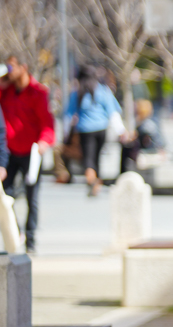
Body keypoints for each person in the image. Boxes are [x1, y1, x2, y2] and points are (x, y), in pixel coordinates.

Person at [0, 56, 55, 253]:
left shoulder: (38, 92)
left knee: (32, 196)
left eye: (11, 67)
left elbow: (47, 123)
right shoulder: (5, 91)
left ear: (24, 67)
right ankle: (14, 236)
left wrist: (44, 141)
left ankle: (30, 239)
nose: (9, 71)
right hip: (9, 151)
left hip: (31, 152)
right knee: (5, 196)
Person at [65, 65, 122, 197]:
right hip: (102, 128)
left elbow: (68, 115)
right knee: (97, 156)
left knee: (88, 158)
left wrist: (66, 133)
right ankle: (97, 181)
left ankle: (92, 180)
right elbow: (113, 113)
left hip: (85, 129)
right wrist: (120, 131)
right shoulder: (103, 91)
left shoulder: (77, 93)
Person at [118, 99, 164, 174]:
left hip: (148, 153)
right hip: (146, 152)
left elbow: (148, 141)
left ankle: (123, 173)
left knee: (126, 148)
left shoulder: (146, 125)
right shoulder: (145, 123)